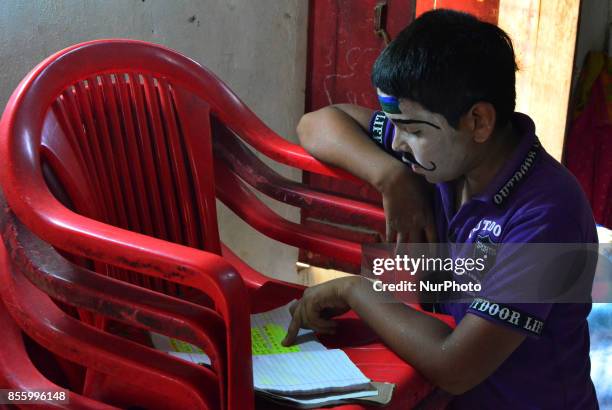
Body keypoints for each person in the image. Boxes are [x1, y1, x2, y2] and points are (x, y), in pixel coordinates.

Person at [282, 9, 599, 409]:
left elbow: (456, 366)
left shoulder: (548, 215)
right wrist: (390, 177)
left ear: (479, 122)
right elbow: (317, 123)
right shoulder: (444, 160)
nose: (398, 143)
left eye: (413, 131)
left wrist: (357, 289)